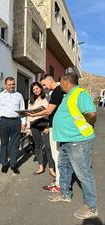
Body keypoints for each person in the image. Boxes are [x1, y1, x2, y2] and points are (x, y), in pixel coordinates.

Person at [47, 72, 98, 220]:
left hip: (78, 141)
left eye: (61, 82)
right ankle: (65, 194)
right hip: (65, 140)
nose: (59, 84)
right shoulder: (67, 96)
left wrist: (86, 125)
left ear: (66, 82)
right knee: (63, 168)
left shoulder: (80, 94)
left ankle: (91, 206)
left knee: (83, 173)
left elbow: (92, 114)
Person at [28, 74, 64, 192]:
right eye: (34, 89)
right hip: (36, 125)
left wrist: (35, 115)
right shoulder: (32, 100)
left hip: (47, 125)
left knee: (51, 149)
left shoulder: (51, 95)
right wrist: (29, 123)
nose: (38, 89)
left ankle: (54, 174)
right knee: (40, 147)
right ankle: (43, 168)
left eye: (41, 86)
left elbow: (49, 111)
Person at [0, 77, 26, 174]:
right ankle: (4, 164)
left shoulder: (19, 95)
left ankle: (13, 164)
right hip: (4, 121)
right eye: (10, 84)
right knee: (4, 144)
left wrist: (23, 122)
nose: (12, 86)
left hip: (16, 121)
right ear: (5, 85)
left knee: (15, 144)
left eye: (13, 84)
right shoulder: (0, 96)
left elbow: (22, 110)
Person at [26, 82, 55, 176]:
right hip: (34, 125)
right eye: (34, 90)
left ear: (41, 88)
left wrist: (48, 126)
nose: (36, 91)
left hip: (45, 124)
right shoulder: (31, 101)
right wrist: (28, 127)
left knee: (48, 147)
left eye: (37, 88)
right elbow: (29, 115)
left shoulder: (47, 98)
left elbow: (51, 113)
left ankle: (51, 169)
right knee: (38, 146)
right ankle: (41, 167)